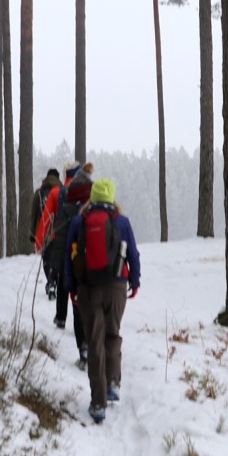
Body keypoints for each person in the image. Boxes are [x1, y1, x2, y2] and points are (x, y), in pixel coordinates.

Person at [65, 178, 141, 424]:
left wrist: (71, 287)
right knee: (112, 334)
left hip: (89, 288)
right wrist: (135, 281)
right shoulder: (122, 221)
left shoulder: (80, 221)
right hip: (117, 285)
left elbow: (70, 256)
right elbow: (133, 254)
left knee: (94, 341)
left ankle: (98, 404)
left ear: (93, 198)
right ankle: (113, 383)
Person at [49, 164, 94, 369]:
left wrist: (57, 268)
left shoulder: (65, 206)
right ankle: (96, 350)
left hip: (74, 264)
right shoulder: (99, 209)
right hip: (97, 269)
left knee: (77, 306)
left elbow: (58, 240)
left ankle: (84, 349)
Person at [35, 161, 82, 306]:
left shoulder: (57, 192)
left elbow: (46, 218)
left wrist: (39, 241)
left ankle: (60, 314)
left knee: (61, 272)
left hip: (60, 239)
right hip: (80, 239)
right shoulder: (86, 191)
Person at [29, 168, 61, 295]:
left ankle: (51, 281)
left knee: (47, 258)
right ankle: (56, 280)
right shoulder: (62, 192)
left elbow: (33, 214)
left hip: (43, 232)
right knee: (57, 258)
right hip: (59, 231)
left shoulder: (39, 192)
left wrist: (33, 235)